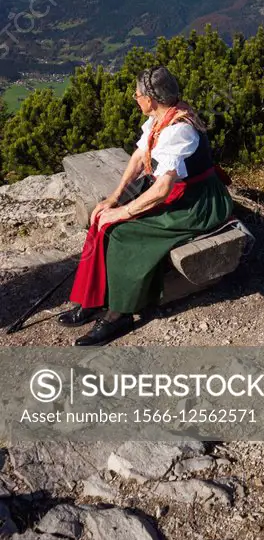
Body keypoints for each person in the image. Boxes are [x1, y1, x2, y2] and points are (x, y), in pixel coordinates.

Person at [60, 67, 233, 346]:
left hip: (197, 202)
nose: (135, 98)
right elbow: (140, 156)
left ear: (151, 99)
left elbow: (163, 188)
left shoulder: (179, 129)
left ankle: (120, 313)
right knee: (101, 218)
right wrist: (113, 199)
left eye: (138, 94)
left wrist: (123, 212)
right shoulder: (160, 118)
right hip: (178, 192)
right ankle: (95, 297)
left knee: (122, 233)